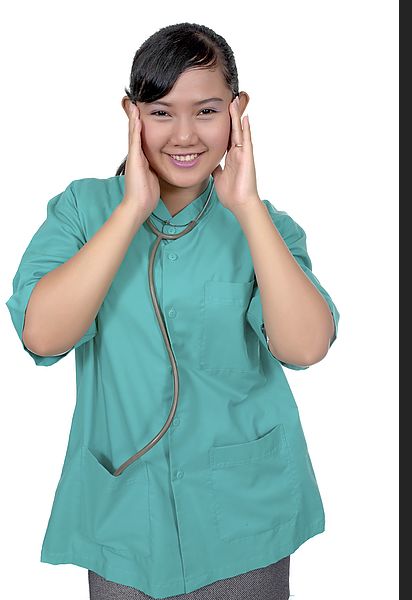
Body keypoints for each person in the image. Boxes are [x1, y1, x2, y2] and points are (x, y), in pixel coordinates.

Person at [5, 22, 340, 600]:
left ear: (238, 111)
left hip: (242, 518)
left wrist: (247, 206)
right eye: (161, 112)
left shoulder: (266, 228)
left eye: (206, 110)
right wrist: (133, 208)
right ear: (130, 114)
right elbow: (43, 336)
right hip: (125, 516)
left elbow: (306, 347)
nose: (184, 134)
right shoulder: (83, 210)